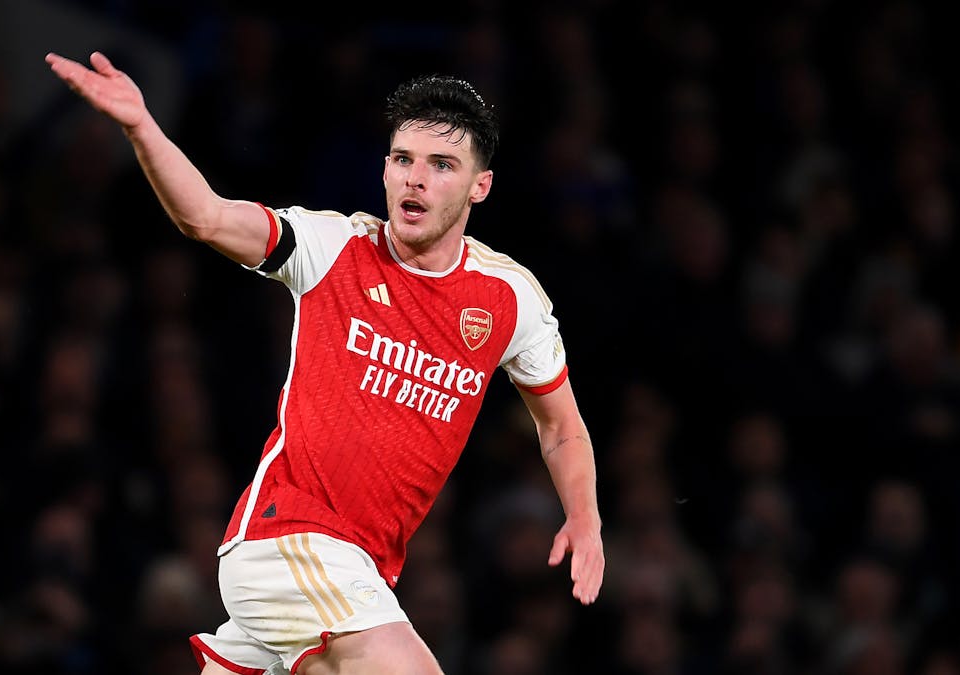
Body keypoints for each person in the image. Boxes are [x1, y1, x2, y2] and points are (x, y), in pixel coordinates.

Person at [45, 50, 606, 675]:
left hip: (360, 571)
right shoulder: (332, 246)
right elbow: (206, 216)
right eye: (402, 159)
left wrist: (584, 518)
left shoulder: (509, 298)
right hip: (288, 538)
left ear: (481, 185)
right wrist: (141, 127)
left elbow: (561, 426)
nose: (415, 179)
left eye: (441, 165)